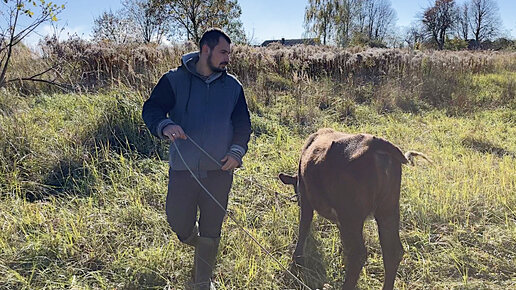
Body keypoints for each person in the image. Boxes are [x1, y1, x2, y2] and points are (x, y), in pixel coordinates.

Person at [142, 28, 252, 289]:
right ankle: (193, 240)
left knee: (212, 228)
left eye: (229, 53)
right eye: (223, 52)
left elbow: (243, 125)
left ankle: (202, 280)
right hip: (183, 170)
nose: (228, 58)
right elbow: (152, 109)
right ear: (206, 50)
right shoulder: (173, 80)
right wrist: (165, 125)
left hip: (219, 171)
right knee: (177, 221)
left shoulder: (233, 87)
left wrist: (237, 152)